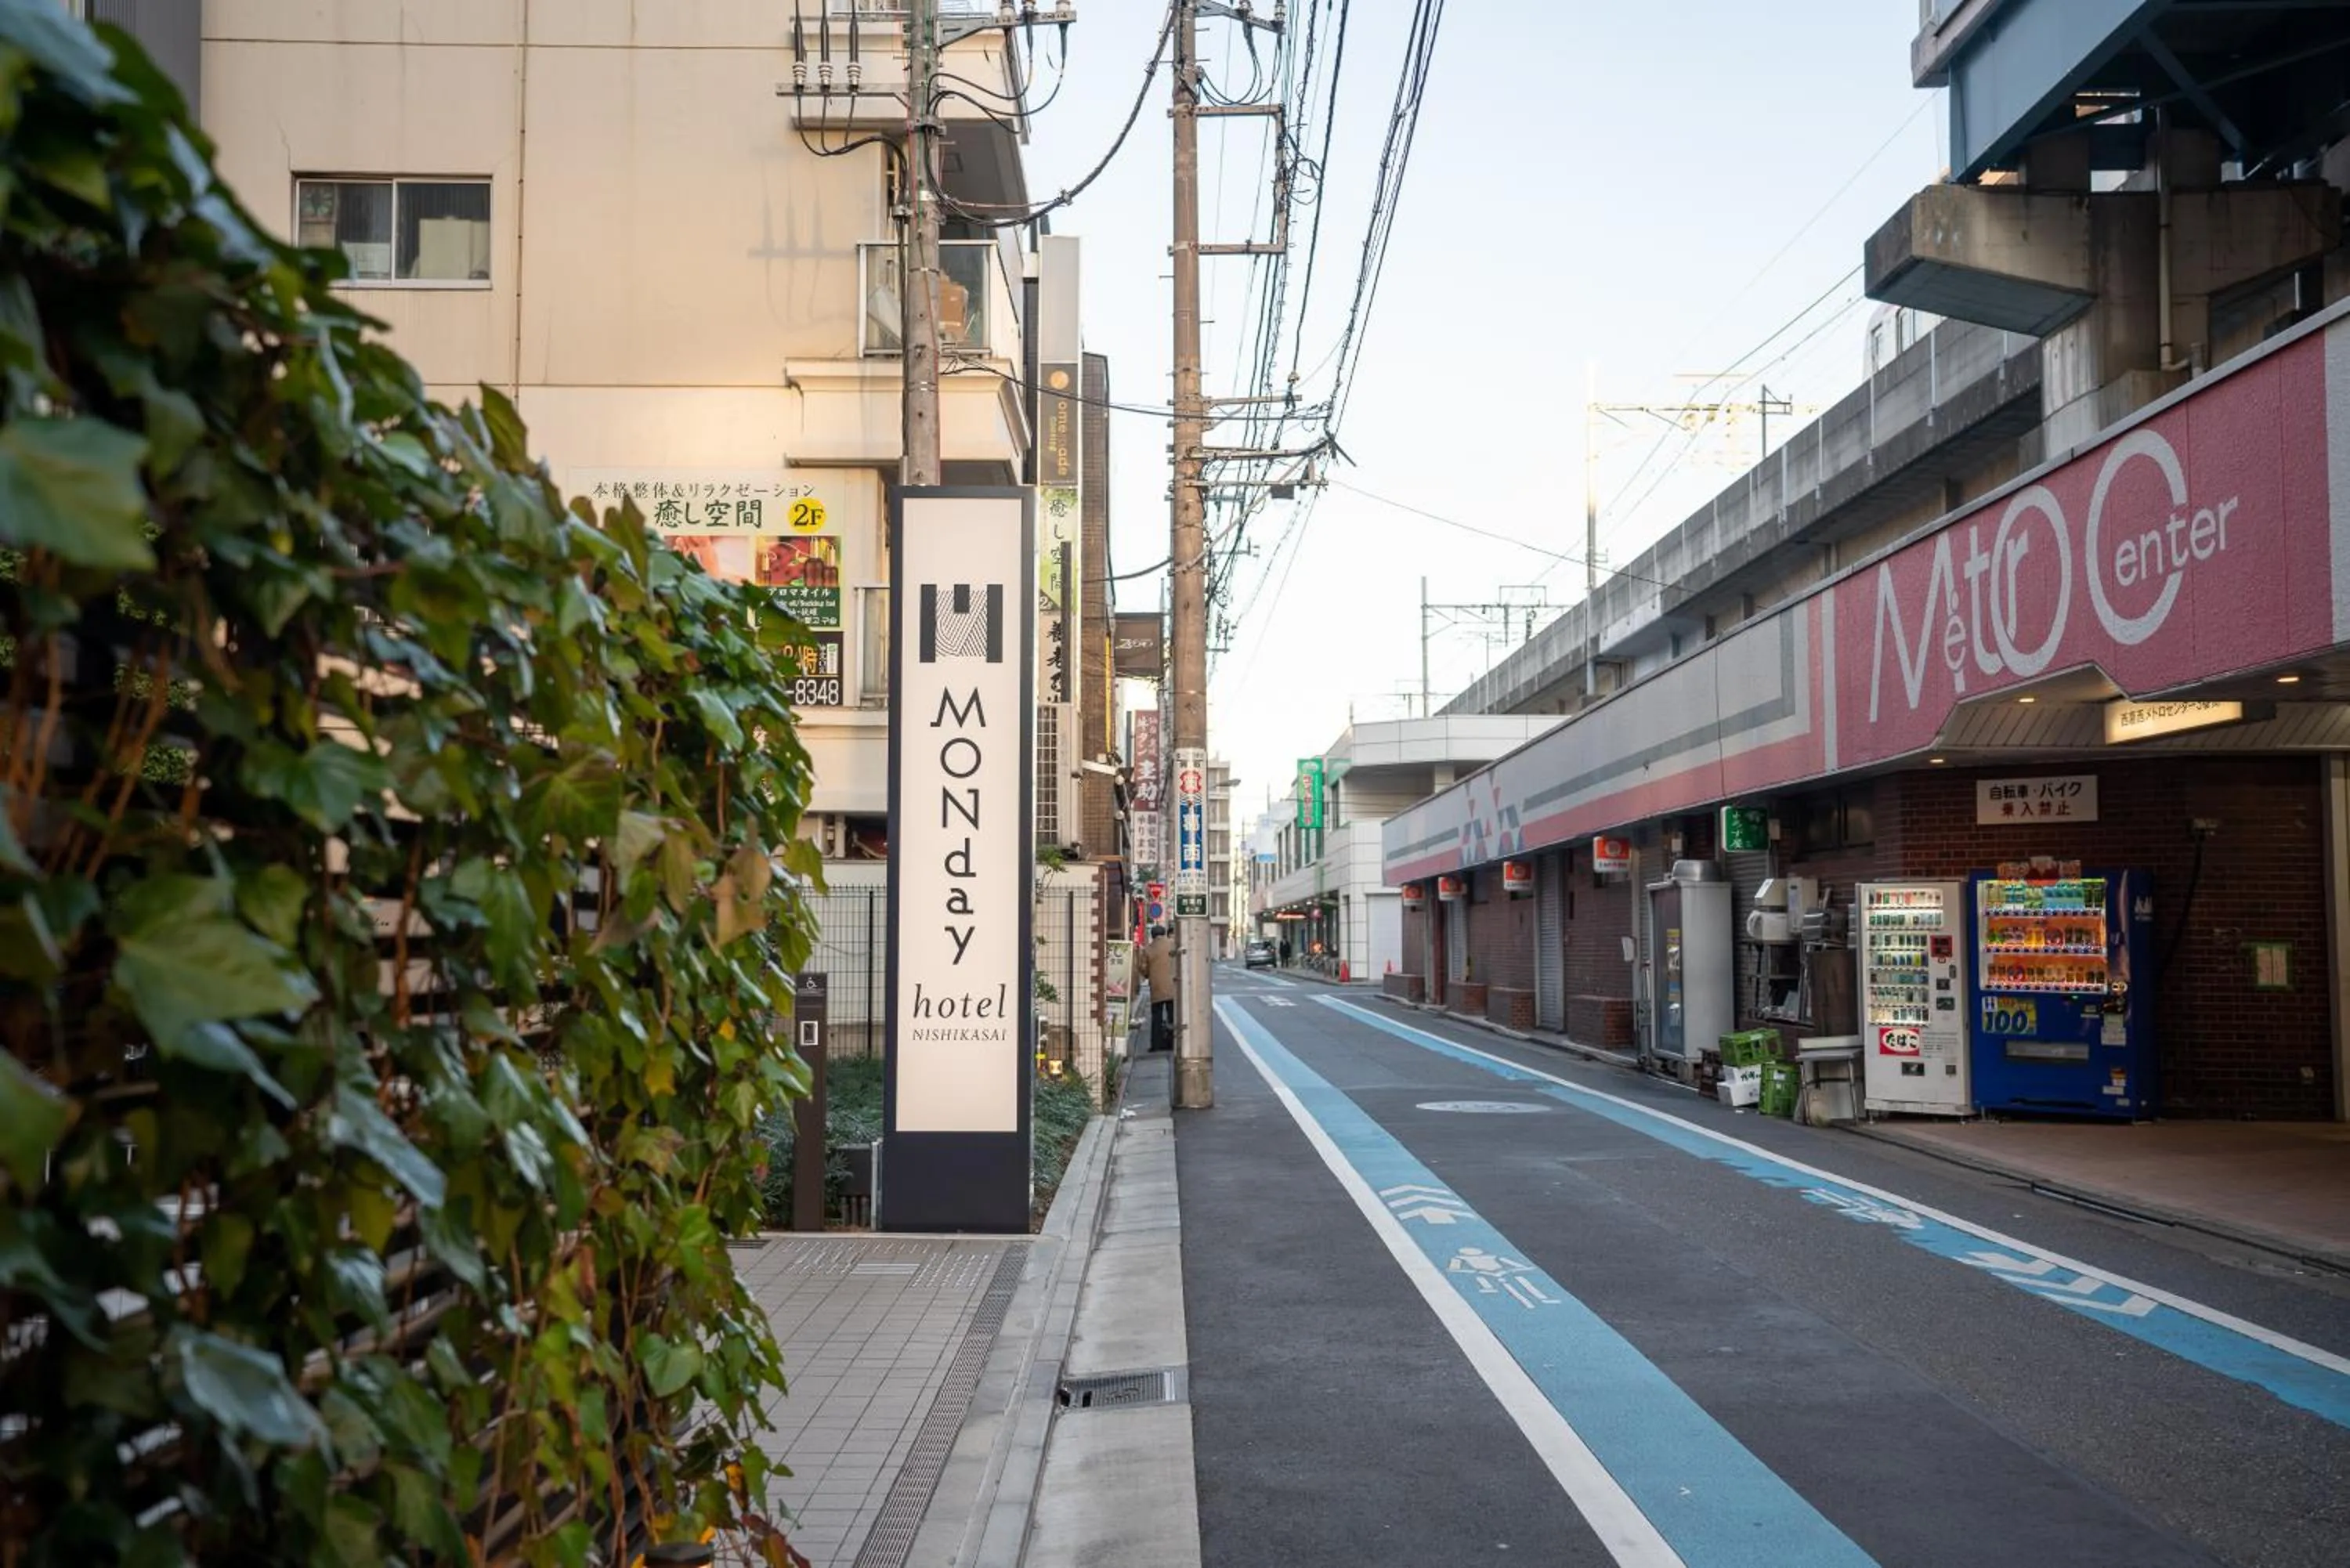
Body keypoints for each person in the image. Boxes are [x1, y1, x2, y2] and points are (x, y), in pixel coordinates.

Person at [1144, 926, 1176, 1053]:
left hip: (1156, 986)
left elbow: (1143, 967)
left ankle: (1156, 1044)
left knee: (1156, 1016)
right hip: (1172, 985)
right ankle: (1173, 1042)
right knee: (1172, 1016)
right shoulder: (1173, 945)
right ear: (1164, 934)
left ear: (1152, 936)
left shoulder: (1148, 949)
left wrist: (1148, 974)